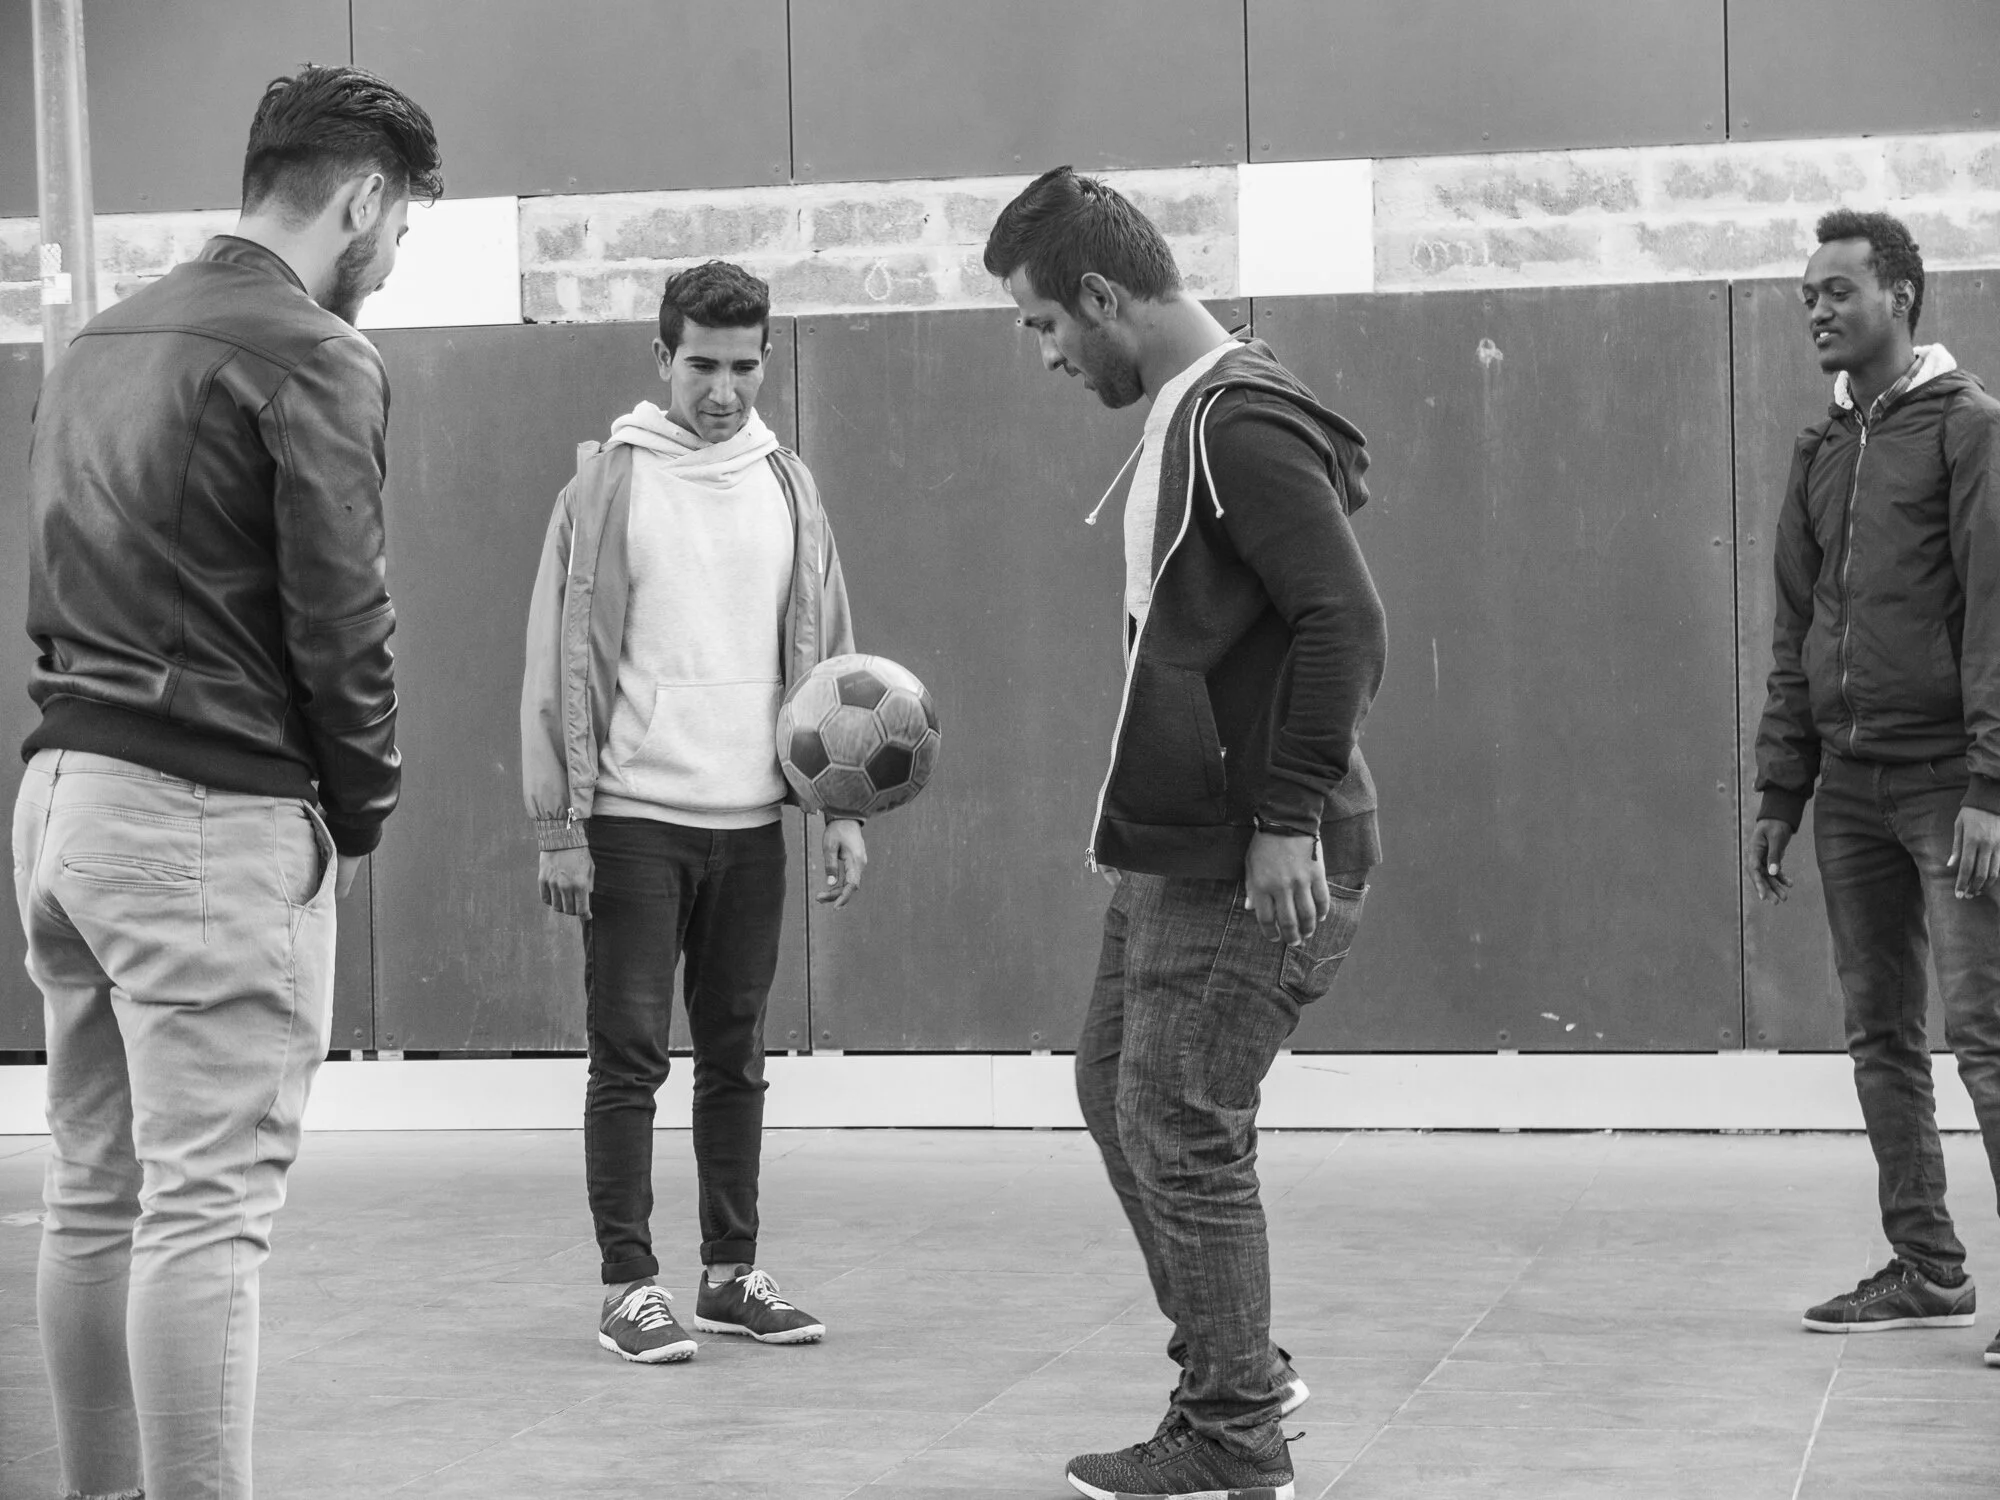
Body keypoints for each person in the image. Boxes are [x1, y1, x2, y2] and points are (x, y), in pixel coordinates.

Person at [14, 65, 438, 1500]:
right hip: (201, 819)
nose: (390, 262)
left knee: (96, 1198)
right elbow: (343, 618)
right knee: (204, 1220)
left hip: (65, 802)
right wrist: (360, 804)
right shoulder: (312, 351)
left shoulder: (100, 339)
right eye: (400, 230)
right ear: (366, 201)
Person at [982, 167, 1386, 1500]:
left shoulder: (1233, 423)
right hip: (1188, 843)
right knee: (1120, 1089)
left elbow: (1346, 621)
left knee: (1180, 1118)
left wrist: (1284, 820)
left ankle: (1233, 1422)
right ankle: (1240, 1377)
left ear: (1104, 296)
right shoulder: (1195, 414)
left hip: (1248, 853)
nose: (1045, 354)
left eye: (1045, 323)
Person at [520, 259, 867, 1364]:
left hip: (751, 824)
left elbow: (835, 666)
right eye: (703, 365)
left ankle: (728, 1274)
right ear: (660, 359)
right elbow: (554, 662)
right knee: (627, 1060)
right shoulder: (603, 487)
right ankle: (630, 1285)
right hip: (628, 820)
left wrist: (841, 809)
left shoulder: (788, 484)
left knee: (737, 1056)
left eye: (744, 366)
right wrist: (558, 824)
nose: (724, 389)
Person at [1751, 209, 2000, 1363]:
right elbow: (1796, 628)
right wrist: (1780, 787)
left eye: (1836, 290)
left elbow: (1997, 620)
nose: (1814, 308)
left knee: (1987, 1036)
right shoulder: (1821, 450)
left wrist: (1991, 786)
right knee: (1878, 1035)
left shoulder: (1969, 432)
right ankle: (1926, 1267)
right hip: (1847, 783)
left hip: (1952, 784)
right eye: (1806, 293)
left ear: (1898, 294)